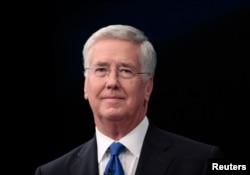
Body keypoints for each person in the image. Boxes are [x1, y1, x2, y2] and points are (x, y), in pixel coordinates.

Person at [35, 24, 224, 175]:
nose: (112, 82)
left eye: (126, 71)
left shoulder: (202, 162)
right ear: (86, 85)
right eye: (101, 70)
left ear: (148, 87)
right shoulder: (52, 172)